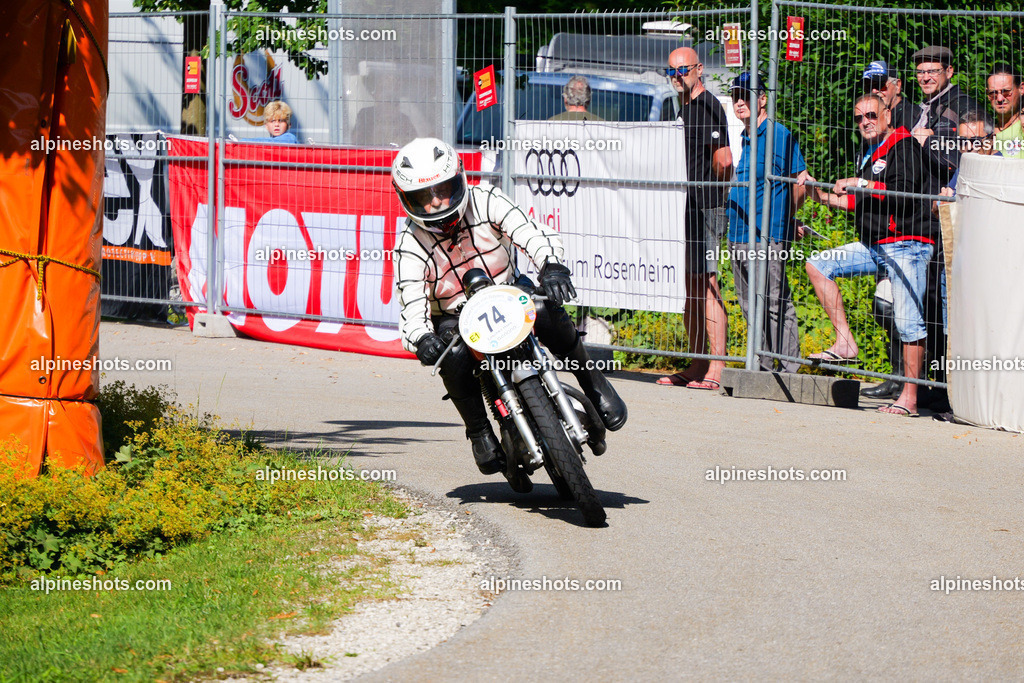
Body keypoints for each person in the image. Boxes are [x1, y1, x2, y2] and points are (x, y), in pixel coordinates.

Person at [391, 137, 627, 478]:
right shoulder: (409, 245)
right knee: (451, 357)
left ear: (459, 179)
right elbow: (411, 309)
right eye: (422, 198)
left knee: (545, 309)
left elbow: (530, 232)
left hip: (507, 292)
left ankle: (591, 381)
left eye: (442, 190)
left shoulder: (487, 200)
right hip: (456, 318)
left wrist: (551, 265)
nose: (436, 203)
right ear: (406, 200)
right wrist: (421, 338)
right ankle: (479, 432)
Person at [805, 94, 935, 417]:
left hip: (908, 243)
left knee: (908, 322)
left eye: (872, 115)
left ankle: (909, 398)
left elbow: (900, 193)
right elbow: (858, 201)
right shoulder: (870, 153)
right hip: (877, 245)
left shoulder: (904, 145)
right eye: (859, 118)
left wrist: (859, 182)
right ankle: (845, 342)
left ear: (888, 114)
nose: (865, 121)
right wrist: (819, 196)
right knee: (818, 265)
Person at [722, 72, 810, 375]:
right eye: (735, 96)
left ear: (763, 99)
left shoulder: (778, 135)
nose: (739, 101)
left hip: (765, 235)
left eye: (747, 95)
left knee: (774, 303)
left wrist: (784, 219)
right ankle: (761, 365)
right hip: (738, 234)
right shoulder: (745, 136)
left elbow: (802, 183)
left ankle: (788, 371)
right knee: (749, 306)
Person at [656, 47, 733, 390]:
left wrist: (710, 192)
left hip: (706, 207)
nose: (677, 76)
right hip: (685, 208)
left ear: (699, 69)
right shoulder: (684, 106)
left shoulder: (707, 106)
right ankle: (698, 363)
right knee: (691, 288)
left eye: (683, 69)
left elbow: (725, 160)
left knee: (708, 285)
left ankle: (716, 367)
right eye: (671, 71)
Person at [862, 60, 917, 132]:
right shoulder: (869, 119)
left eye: (880, 85)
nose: (874, 91)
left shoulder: (913, 118)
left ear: (897, 86)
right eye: (868, 87)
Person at [987, 62, 1024, 158]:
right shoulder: (986, 134)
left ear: (1021, 89)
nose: (999, 99)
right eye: (993, 93)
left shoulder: (1022, 127)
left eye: (1006, 92)